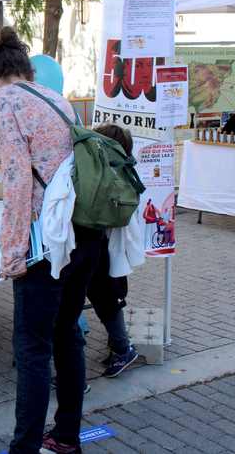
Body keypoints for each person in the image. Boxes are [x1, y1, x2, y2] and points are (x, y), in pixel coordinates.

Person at [0, 27, 104, 454]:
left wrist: (12, 252)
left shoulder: (3, 100)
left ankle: (25, 448)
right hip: (85, 231)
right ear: (27, 69)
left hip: (46, 242)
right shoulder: (57, 98)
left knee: (32, 348)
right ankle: (67, 436)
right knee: (67, 333)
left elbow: (17, 183)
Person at [86, 124, 139, 379]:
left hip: (105, 249)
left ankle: (122, 348)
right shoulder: (120, 171)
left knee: (107, 301)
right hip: (106, 249)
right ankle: (119, 346)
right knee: (105, 300)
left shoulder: (113, 176)